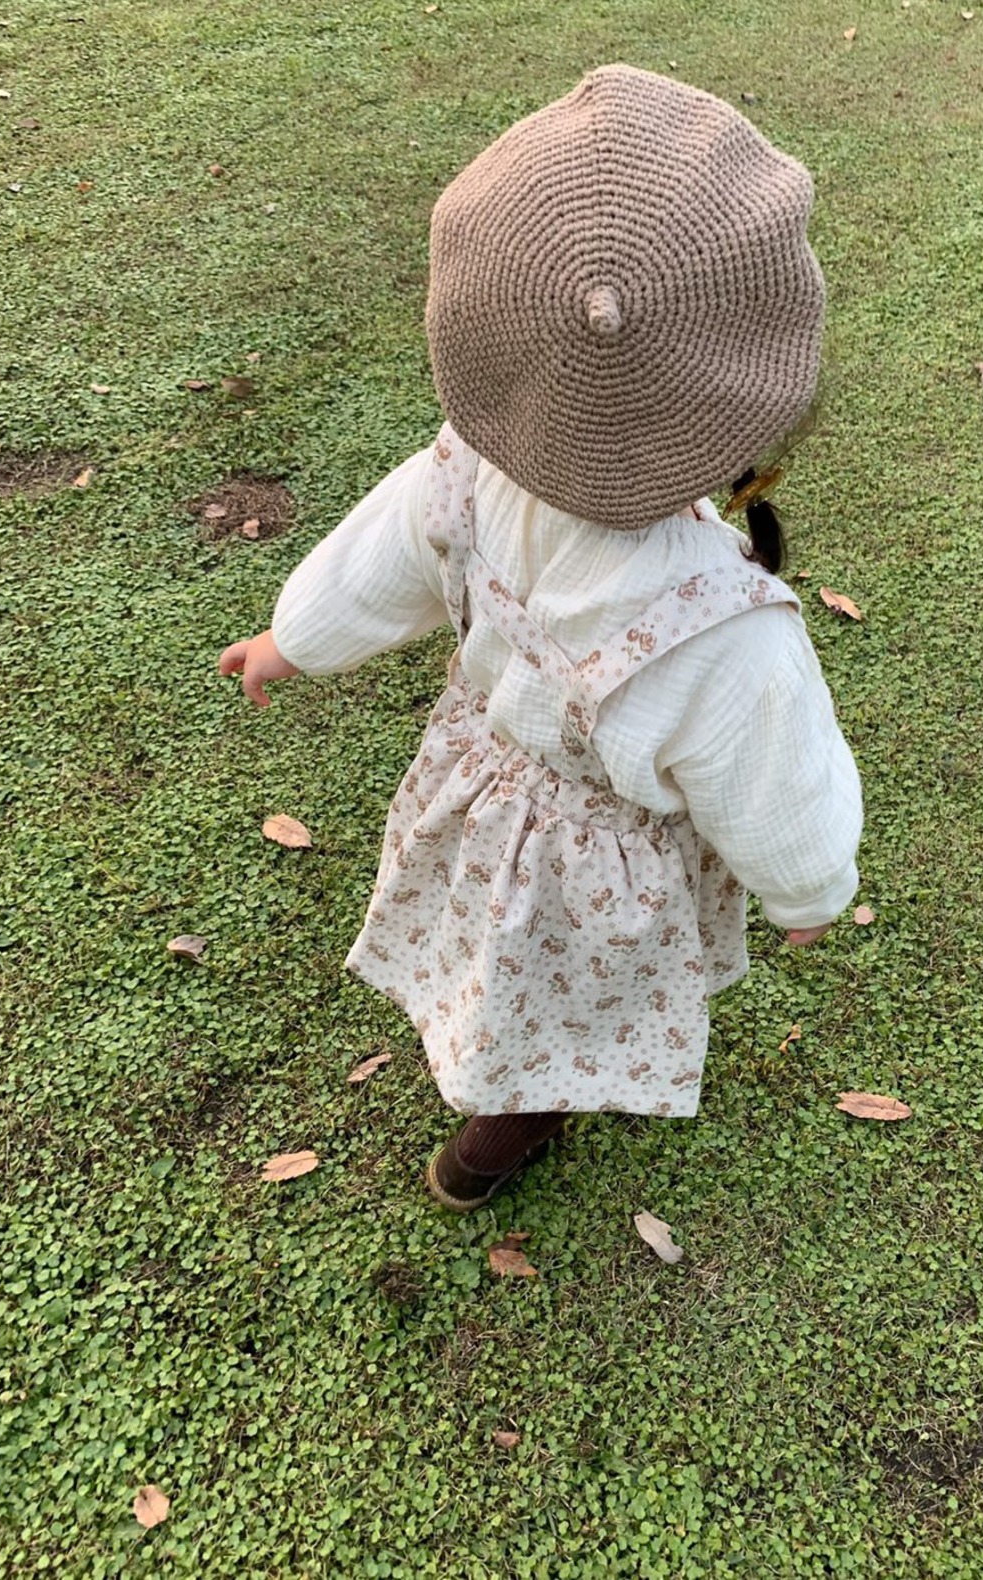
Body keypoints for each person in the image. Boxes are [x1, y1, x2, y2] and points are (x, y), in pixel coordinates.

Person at [219, 64, 863, 1212]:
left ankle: (487, 1097)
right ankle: (495, 1138)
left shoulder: (462, 471)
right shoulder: (727, 632)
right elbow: (775, 782)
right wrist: (808, 890)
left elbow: (377, 562)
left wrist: (290, 639)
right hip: (598, 869)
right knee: (558, 1008)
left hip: (480, 800)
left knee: (492, 954)